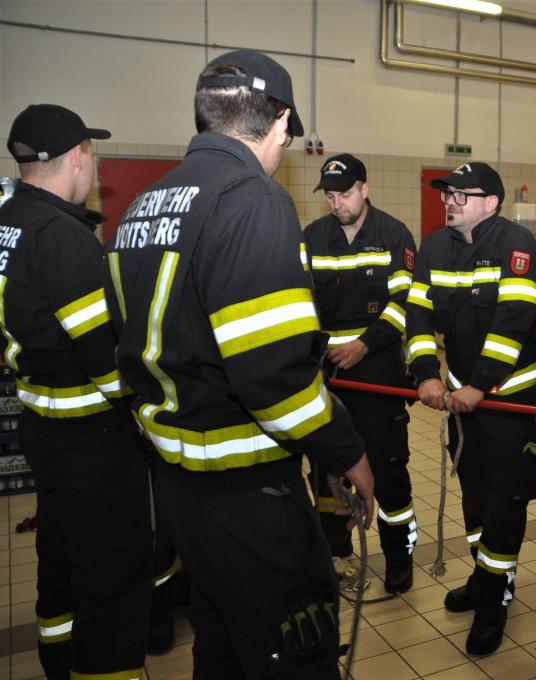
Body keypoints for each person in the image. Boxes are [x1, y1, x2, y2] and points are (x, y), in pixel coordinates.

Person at [102, 50, 374, 677]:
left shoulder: (143, 206)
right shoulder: (253, 200)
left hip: (178, 485)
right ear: (281, 123)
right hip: (250, 494)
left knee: (221, 646)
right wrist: (345, 450)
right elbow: (274, 376)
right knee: (293, 652)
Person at [0, 104, 152, 678]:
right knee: (112, 577)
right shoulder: (63, 238)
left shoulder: (8, 222)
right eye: (92, 151)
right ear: (76, 156)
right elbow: (105, 362)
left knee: (60, 561)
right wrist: (151, 402)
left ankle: (59, 663)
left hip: (42, 423)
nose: (95, 162)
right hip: (94, 436)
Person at [406, 162, 536, 655]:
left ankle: (494, 602)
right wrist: (426, 372)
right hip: (461, 403)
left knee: (505, 500)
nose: (450, 202)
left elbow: (515, 320)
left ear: (490, 203)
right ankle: (484, 576)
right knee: (472, 495)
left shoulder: (516, 244)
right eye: (447, 194)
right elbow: (418, 315)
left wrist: (480, 385)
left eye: (461, 195)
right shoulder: (433, 248)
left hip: (510, 401)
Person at [304, 153, 418, 593]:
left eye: (346, 194)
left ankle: (398, 557)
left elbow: (404, 304)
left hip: (378, 372)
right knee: (326, 466)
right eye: (330, 196)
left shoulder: (393, 234)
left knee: (388, 469)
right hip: (327, 373)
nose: (338, 204)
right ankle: (336, 553)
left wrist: (364, 345)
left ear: (365, 189)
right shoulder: (312, 237)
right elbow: (300, 302)